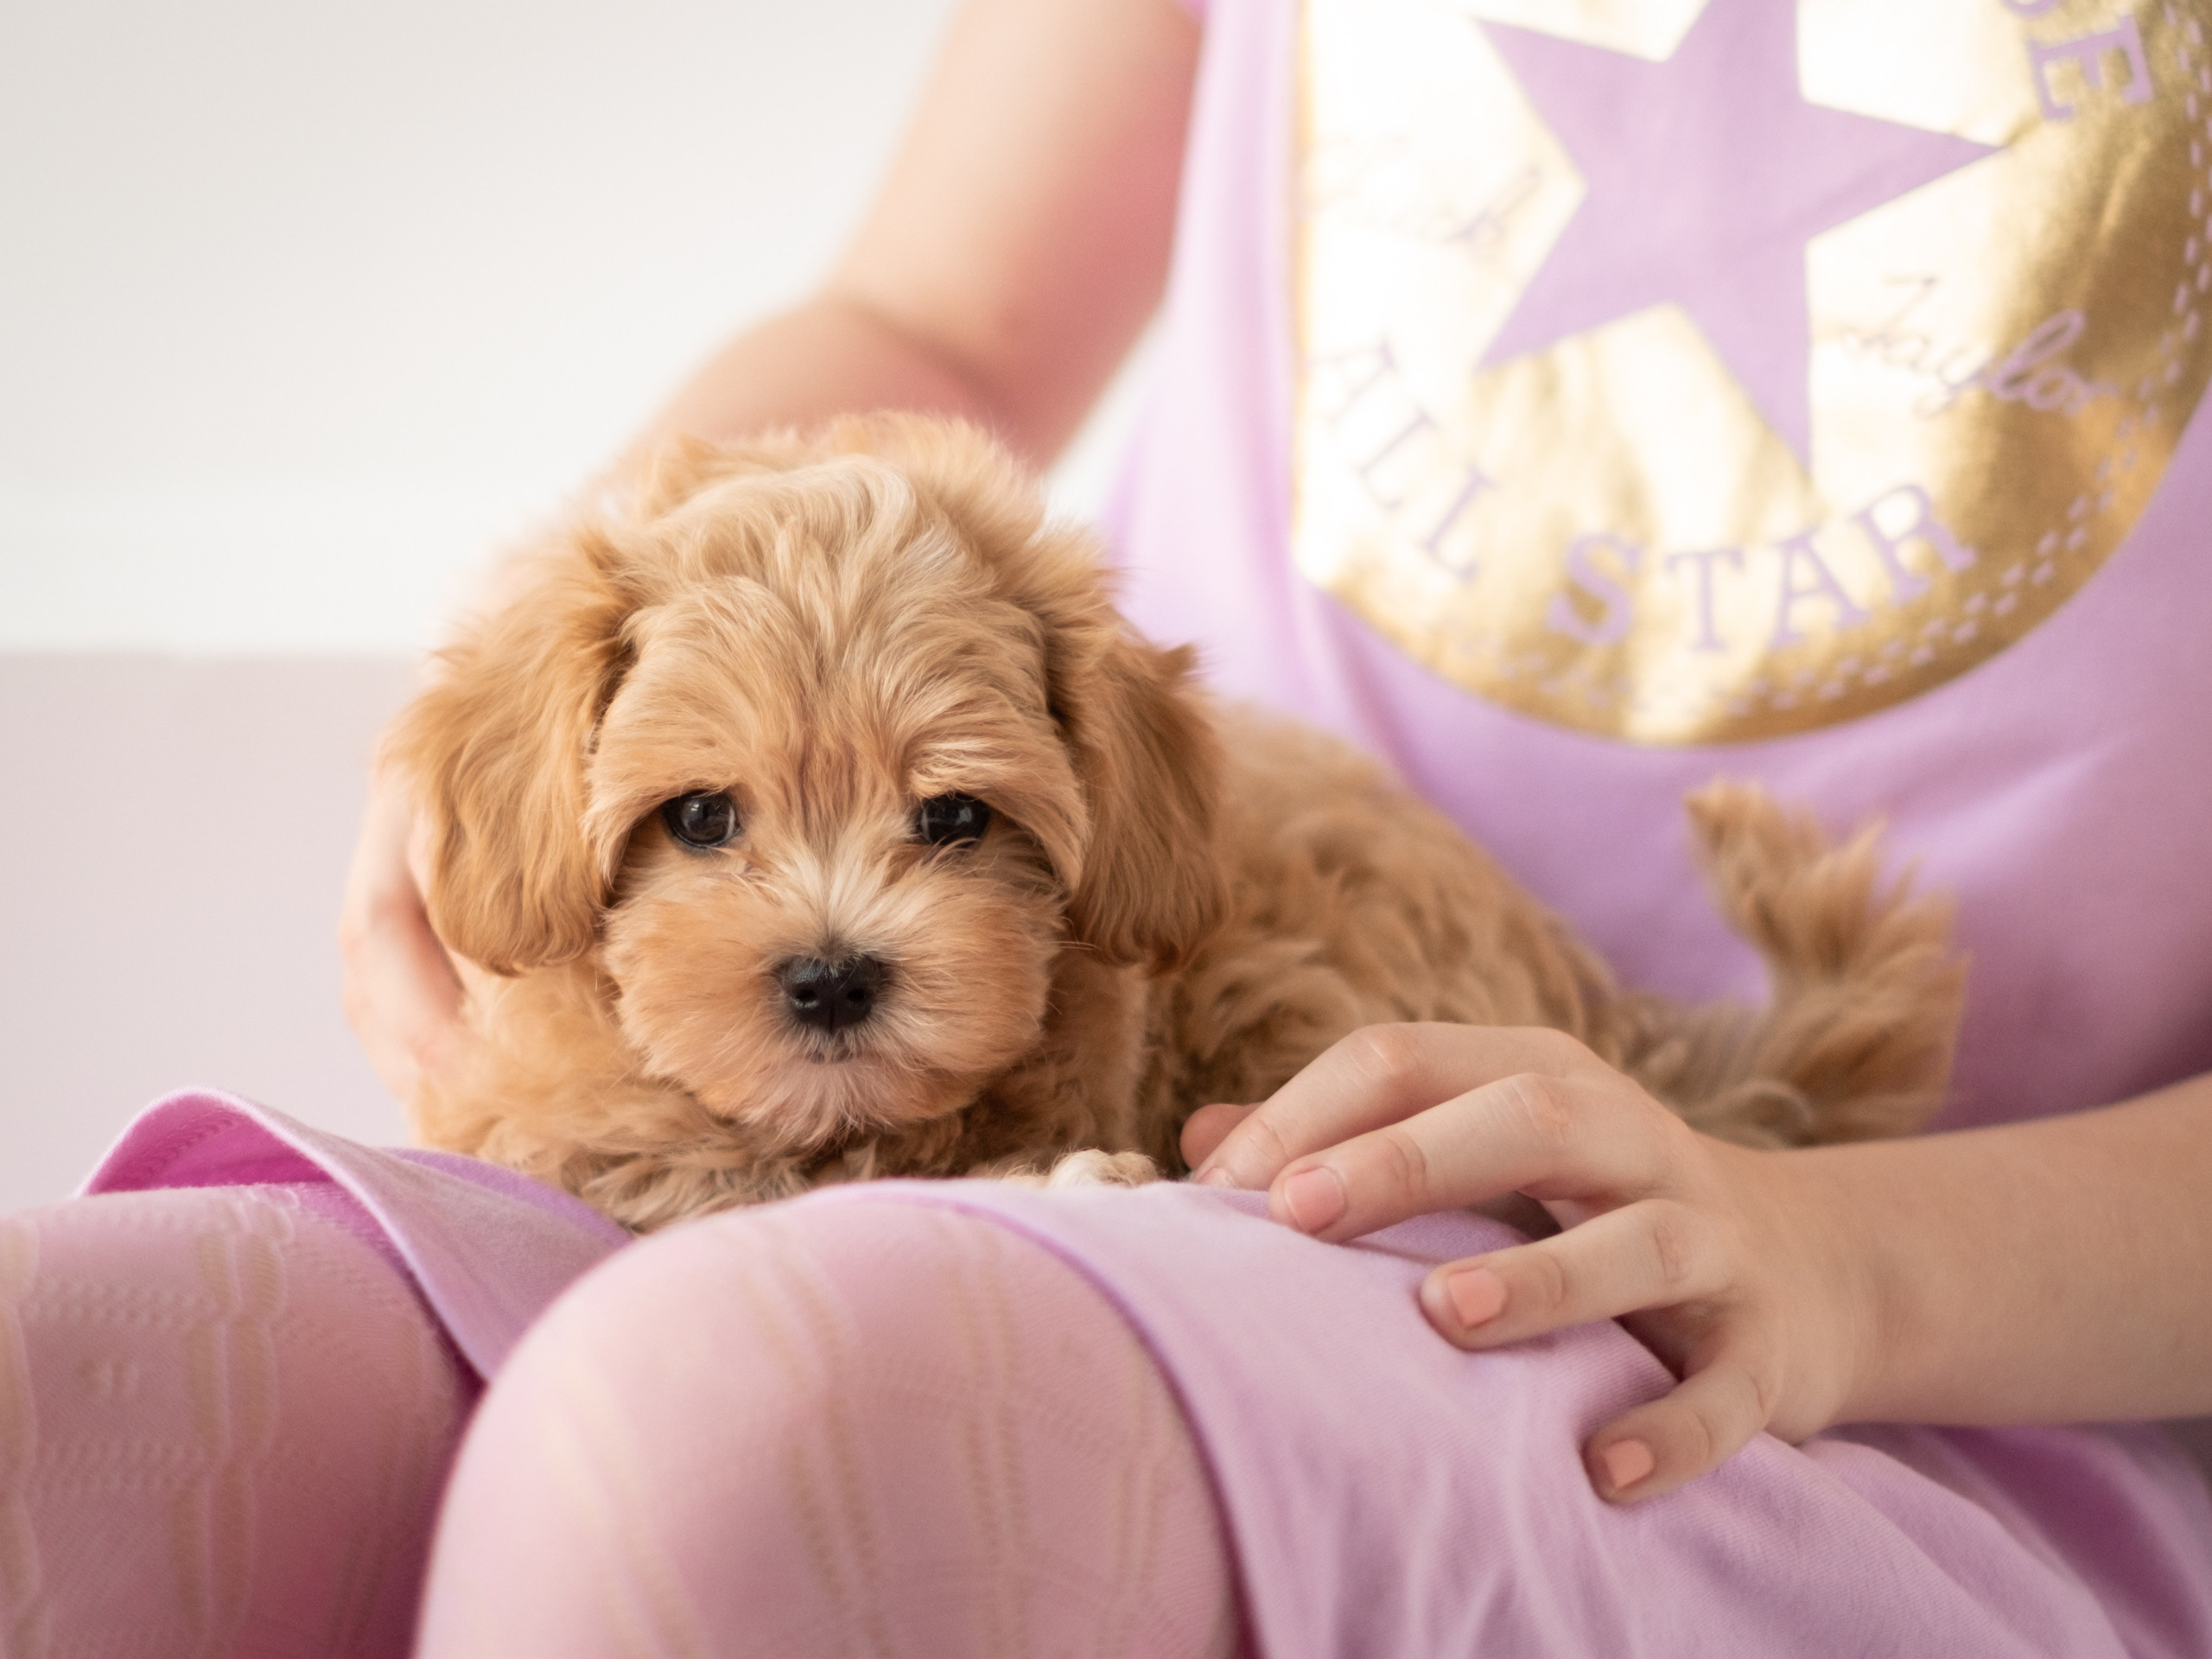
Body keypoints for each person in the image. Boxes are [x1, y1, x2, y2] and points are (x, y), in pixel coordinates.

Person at [8, 0, 2212, 1652]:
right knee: (58, 1383)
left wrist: (1835, 1258)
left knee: (720, 1443)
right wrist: (509, 716)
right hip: (1011, 1158)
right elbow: (939, 317)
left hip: (1880, 1357)